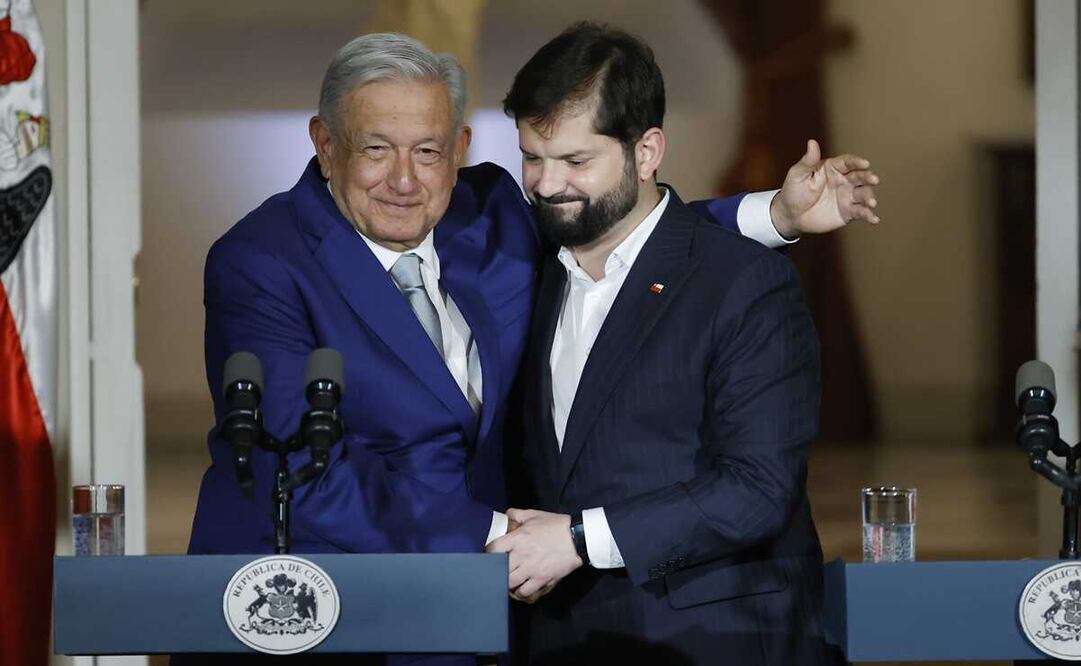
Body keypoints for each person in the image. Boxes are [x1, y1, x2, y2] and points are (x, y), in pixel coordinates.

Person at [185, 30, 874, 663]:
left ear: (458, 147)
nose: (403, 178)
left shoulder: (486, 213)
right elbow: (299, 471)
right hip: (316, 606)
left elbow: (620, 222)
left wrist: (770, 216)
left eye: (426, 150)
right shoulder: (260, 261)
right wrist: (495, 532)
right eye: (374, 148)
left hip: (486, 616)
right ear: (325, 143)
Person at [488, 22, 845, 665]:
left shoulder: (748, 283)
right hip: (558, 638)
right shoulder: (527, 270)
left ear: (647, 151)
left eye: (575, 161)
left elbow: (759, 488)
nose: (545, 184)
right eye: (532, 158)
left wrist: (576, 540)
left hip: (717, 639)